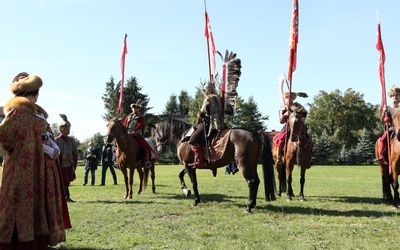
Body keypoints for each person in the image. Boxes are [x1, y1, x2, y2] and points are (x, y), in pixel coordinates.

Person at [0, 72, 71, 249]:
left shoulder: (37, 114)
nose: (36, 96)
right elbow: (5, 138)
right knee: (22, 204)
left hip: (44, 169)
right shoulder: (17, 113)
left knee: (40, 204)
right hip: (24, 171)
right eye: (35, 93)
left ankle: (40, 241)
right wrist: (39, 147)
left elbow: (45, 135)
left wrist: (53, 145)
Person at [274, 75, 310, 166]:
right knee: (280, 138)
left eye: (290, 98)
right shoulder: (283, 107)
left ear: (293, 99)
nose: (288, 100)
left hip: (298, 126)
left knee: (309, 139)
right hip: (288, 127)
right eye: (287, 98)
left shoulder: (297, 105)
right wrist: (285, 115)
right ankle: (279, 157)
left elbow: (305, 113)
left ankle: (309, 158)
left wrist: (298, 112)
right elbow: (281, 121)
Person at [188, 81, 223, 167]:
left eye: (204, 90)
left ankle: (200, 161)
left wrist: (199, 118)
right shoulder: (218, 98)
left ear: (207, 90)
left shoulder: (208, 99)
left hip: (210, 124)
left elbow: (202, 112)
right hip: (221, 123)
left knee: (193, 139)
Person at [55, 114, 78, 202]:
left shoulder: (71, 140)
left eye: (69, 129)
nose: (68, 131)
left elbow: (75, 153)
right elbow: (54, 151)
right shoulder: (56, 140)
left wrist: (74, 165)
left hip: (69, 164)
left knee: (67, 182)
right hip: (60, 164)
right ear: (62, 129)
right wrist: (61, 155)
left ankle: (65, 197)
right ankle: (65, 197)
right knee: (63, 182)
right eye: (67, 129)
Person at [123, 100, 152, 168]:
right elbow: (124, 125)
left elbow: (140, 126)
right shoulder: (128, 117)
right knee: (119, 145)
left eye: (137, 108)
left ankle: (146, 161)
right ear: (132, 108)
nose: (135, 109)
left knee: (145, 146)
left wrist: (134, 132)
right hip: (127, 134)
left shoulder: (141, 117)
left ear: (139, 109)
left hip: (136, 134)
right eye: (134, 108)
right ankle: (119, 162)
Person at [376, 86, 400, 164]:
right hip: (391, 128)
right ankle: (381, 156)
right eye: (393, 95)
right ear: (391, 97)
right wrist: (383, 112)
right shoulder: (388, 108)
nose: (395, 97)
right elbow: (382, 120)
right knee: (382, 139)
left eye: (397, 95)